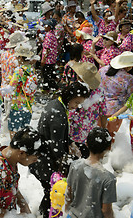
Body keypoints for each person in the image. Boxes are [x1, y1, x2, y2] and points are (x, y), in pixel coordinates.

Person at [29, 82, 90, 218]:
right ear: (69, 97)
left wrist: (70, 143)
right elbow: (56, 148)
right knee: (52, 191)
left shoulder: (57, 104)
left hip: (43, 154)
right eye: (76, 102)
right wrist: (69, 162)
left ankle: (44, 211)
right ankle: (46, 213)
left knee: (49, 191)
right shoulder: (58, 115)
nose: (76, 106)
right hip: (46, 160)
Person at [0, 127, 44, 218]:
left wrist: (23, 205)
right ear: (22, 153)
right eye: (34, 159)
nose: (35, 161)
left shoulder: (10, 159)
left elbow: (10, 185)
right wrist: (11, 216)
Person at [65, 127, 116, 218]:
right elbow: (106, 210)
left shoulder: (75, 165)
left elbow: (69, 194)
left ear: (86, 144)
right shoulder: (108, 179)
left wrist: (66, 212)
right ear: (109, 147)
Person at [68, 62, 108, 158]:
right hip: (90, 134)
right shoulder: (100, 92)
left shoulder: (76, 91)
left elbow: (69, 114)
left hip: (73, 133)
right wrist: (104, 130)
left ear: (80, 78)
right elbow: (103, 113)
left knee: (75, 160)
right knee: (86, 158)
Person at [99, 52, 133, 137]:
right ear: (127, 66)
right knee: (111, 135)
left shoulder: (102, 70)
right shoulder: (128, 78)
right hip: (116, 110)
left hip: (100, 105)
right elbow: (130, 97)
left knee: (99, 133)